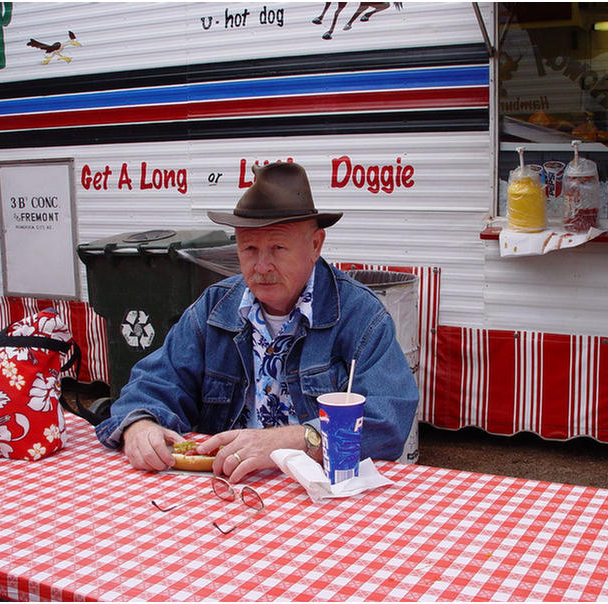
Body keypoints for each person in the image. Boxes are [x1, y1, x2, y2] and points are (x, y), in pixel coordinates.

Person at [95, 161, 418, 482]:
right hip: (225, 488)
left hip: (318, 494)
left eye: (278, 248)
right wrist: (140, 424)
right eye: (249, 248)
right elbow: (154, 383)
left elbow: (389, 418)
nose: (262, 266)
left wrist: (298, 440)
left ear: (315, 245)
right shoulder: (214, 308)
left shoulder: (359, 314)